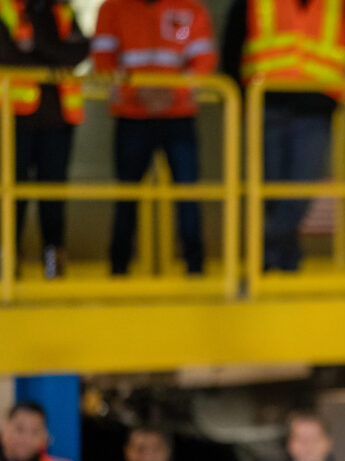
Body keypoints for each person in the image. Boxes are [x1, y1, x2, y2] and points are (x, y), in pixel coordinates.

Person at [221, 0, 345, 271]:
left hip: (315, 109)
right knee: (269, 190)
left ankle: (269, 257)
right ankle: (285, 261)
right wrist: (237, 98)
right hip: (265, 105)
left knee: (301, 188)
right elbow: (233, 45)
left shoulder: (342, 4)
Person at [90, 0, 216, 275]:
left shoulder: (189, 9)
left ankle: (195, 269)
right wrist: (134, 92)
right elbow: (103, 57)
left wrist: (174, 93)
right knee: (127, 195)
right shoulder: (114, 9)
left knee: (188, 193)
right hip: (132, 116)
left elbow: (202, 58)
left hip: (178, 115)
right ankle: (119, 270)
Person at [0, 0, 88, 278]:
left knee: (54, 195)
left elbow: (80, 51)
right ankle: (8, 262)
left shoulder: (63, 11)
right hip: (15, 119)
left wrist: (36, 46)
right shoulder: (5, 10)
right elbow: (7, 56)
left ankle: (54, 264)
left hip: (58, 120)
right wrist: (55, 58)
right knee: (12, 194)